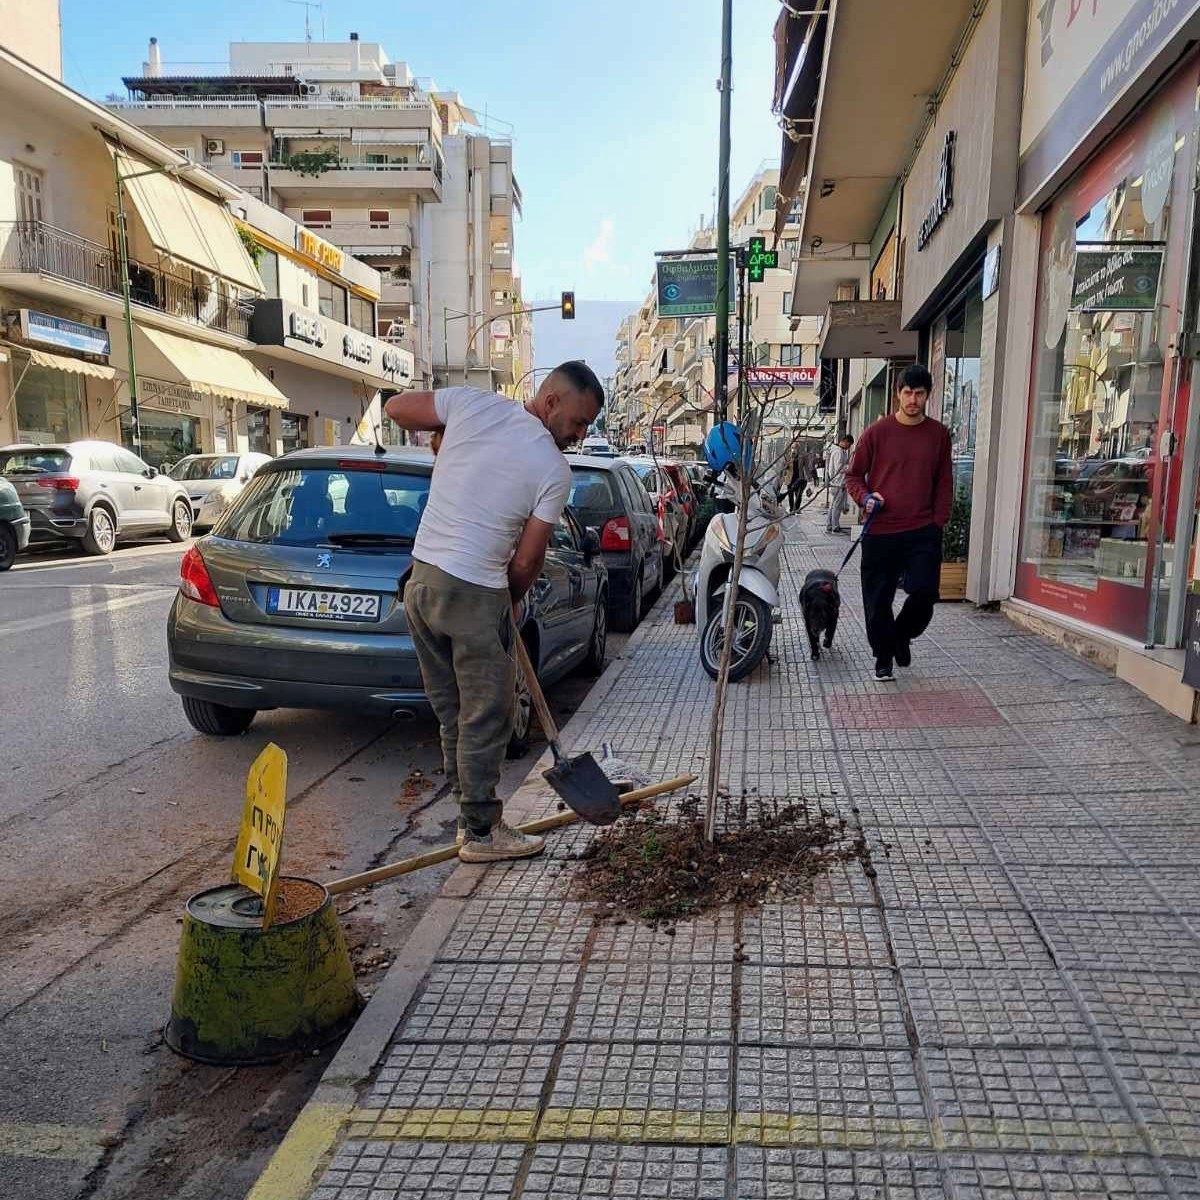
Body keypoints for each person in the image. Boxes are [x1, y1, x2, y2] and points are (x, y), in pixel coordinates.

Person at [384, 362, 604, 862]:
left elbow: (397, 407)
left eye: (587, 426)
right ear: (550, 402)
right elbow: (527, 560)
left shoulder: (471, 403)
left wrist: (444, 430)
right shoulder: (552, 469)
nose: (579, 434)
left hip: (421, 583)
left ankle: (471, 820)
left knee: (452, 713)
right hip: (475, 591)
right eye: (577, 422)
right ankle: (482, 834)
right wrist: (511, 597)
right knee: (487, 716)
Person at [844, 363, 952, 683]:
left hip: (922, 531)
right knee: (878, 600)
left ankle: (900, 636)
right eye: (908, 393)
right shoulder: (876, 433)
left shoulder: (938, 435)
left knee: (924, 594)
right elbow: (853, 476)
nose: (913, 400)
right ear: (897, 395)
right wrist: (865, 498)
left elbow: (944, 481)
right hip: (881, 530)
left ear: (928, 396)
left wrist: (938, 521)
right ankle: (883, 656)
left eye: (919, 394)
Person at [825, 433, 854, 535]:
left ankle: (830, 525)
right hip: (838, 482)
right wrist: (849, 467)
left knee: (833, 506)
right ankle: (835, 527)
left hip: (836, 482)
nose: (848, 447)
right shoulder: (838, 452)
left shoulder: (839, 451)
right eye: (849, 445)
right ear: (845, 441)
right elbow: (838, 468)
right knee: (836, 506)